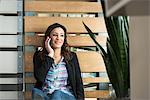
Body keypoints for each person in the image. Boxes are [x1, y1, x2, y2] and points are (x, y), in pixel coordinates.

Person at [32, 23, 85, 100]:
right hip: (46, 95)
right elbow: (39, 78)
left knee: (57, 94)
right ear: (48, 38)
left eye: (61, 35)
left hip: (66, 95)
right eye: (55, 35)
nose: (58, 38)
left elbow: (78, 83)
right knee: (36, 92)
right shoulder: (39, 56)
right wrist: (50, 55)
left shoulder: (71, 57)